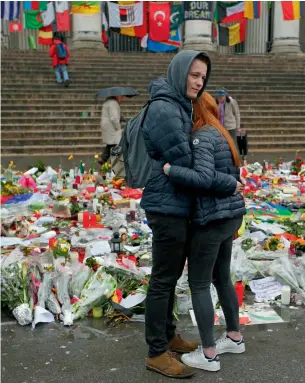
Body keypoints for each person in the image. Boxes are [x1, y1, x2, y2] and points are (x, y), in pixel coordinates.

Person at [163, 92, 246, 373]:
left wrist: (171, 169)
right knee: (222, 277)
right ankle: (234, 336)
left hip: (212, 218)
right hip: (231, 216)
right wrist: (233, 186)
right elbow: (233, 177)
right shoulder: (223, 134)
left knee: (199, 283)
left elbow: (203, 178)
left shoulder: (201, 136)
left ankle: (209, 354)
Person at [141, 50, 211, 379]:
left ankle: (167, 335)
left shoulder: (179, 105)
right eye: (194, 74)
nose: (199, 81)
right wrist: (214, 169)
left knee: (168, 280)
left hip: (175, 201)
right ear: (179, 72)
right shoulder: (165, 108)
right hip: (166, 204)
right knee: (162, 280)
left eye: (202, 77)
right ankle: (156, 351)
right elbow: (184, 161)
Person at [99, 96, 124, 165]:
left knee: (111, 144)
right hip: (112, 128)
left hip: (108, 127)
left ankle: (103, 158)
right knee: (115, 145)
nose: (122, 98)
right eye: (121, 97)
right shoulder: (113, 103)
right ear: (117, 96)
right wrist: (118, 127)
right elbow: (114, 118)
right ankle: (114, 163)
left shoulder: (108, 102)